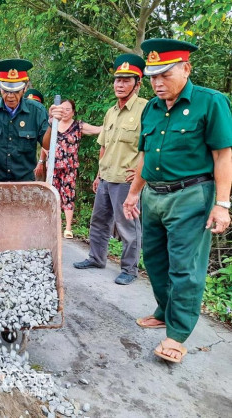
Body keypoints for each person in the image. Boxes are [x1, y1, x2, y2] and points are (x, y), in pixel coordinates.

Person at [123, 39, 232, 362]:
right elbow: (145, 154)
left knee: (185, 268)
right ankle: (164, 310)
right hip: (154, 195)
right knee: (155, 260)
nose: (157, 82)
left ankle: (177, 335)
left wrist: (222, 204)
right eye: (153, 76)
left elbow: (223, 155)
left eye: (165, 75)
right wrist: (133, 194)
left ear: (186, 68)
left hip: (191, 196)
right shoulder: (151, 108)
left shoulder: (210, 102)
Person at [73, 54, 147, 286]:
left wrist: (140, 175)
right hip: (106, 177)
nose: (120, 84)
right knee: (99, 222)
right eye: (117, 80)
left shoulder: (146, 109)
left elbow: (153, 146)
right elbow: (104, 145)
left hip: (127, 181)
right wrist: (98, 174)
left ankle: (129, 269)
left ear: (138, 83)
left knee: (128, 227)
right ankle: (96, 258)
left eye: (126, 80)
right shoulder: (111, 111)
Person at [0, 58, 63, 182]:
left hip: (25, 184)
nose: (10, 96)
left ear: (25, 87)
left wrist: (52, 124)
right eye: (6, 90)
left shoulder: (37, 111)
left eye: (16, 91)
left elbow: (47, 145)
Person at [39, 99, 102, 239]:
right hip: (52, 168)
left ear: (73, 111)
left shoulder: (78, 126)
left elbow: (98, 129)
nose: (65, 112)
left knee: (68, 195)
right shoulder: (52, 124)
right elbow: (43, 142)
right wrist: (42, 159)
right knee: (52, 195)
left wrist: (113, 125)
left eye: (68, 109)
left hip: (69, 168)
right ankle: (52, 224)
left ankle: (67, 227)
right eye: (62, 109)